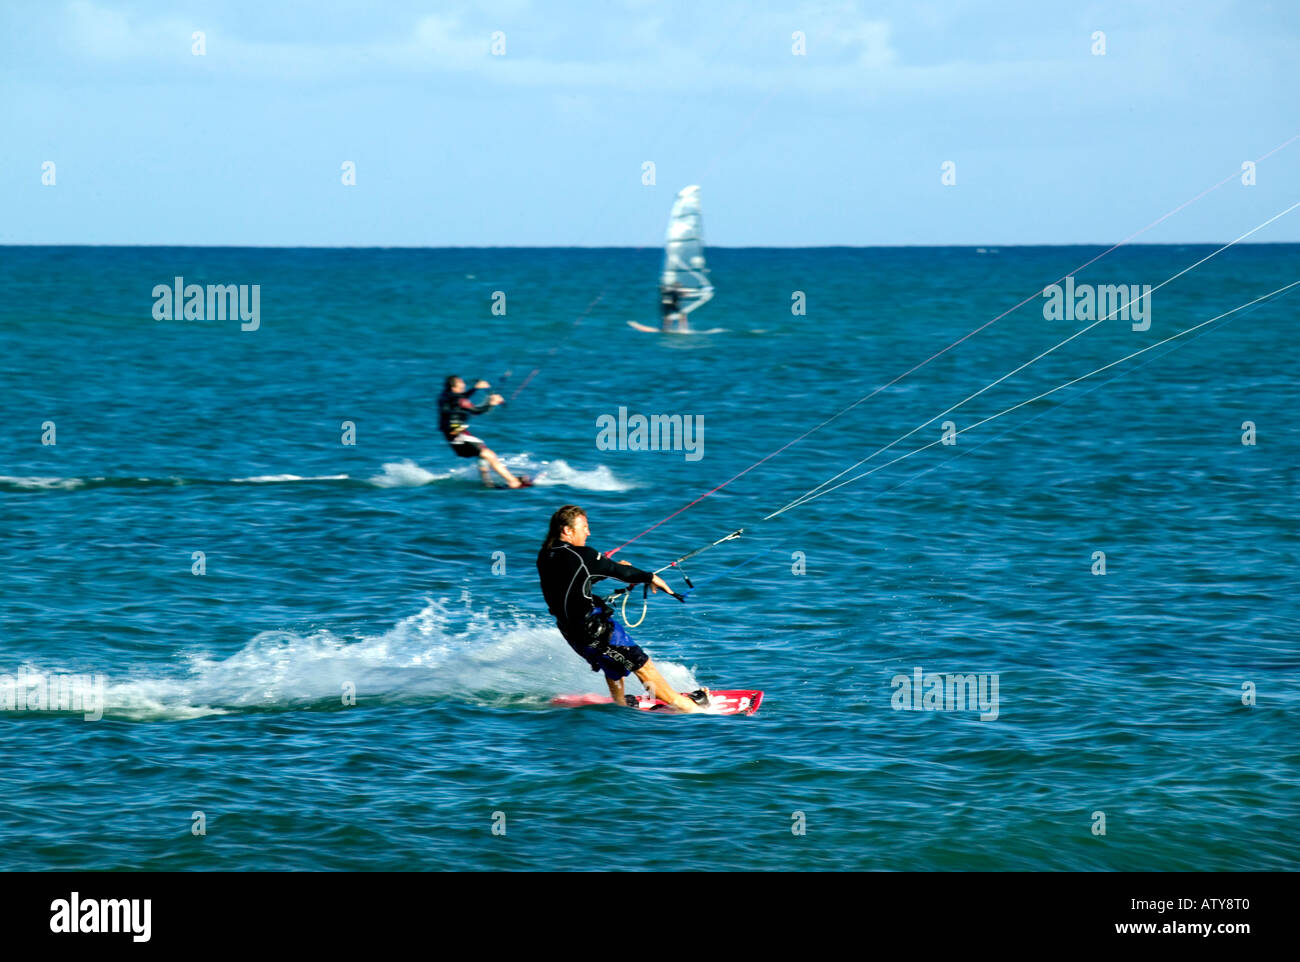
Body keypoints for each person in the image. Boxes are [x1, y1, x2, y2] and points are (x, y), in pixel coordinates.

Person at [537, 505, 708, 713]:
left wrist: (611, 568)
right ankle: (692, 710)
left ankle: (619, 704)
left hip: (572, 633)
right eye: (584, 527)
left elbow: (573, 583)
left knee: (614, 664)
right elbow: (619, 572)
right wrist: (651, 577)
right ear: (567, 530)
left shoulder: (546, 555)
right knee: (644, 668)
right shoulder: (584, 556)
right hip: (596, 631)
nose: (588, 532)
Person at [438, 375, 529, 488]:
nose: (464, 384)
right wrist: (491, 403)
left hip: (452, 433)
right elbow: (476, 411)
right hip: (458, 433)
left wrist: (475, 388)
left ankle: (487, 483)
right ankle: (513, 482)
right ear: (454, 387)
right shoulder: (459, 399)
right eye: (461, 383)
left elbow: (461, 397)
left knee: (483, 454)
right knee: (489, 454)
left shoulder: (445, 396)